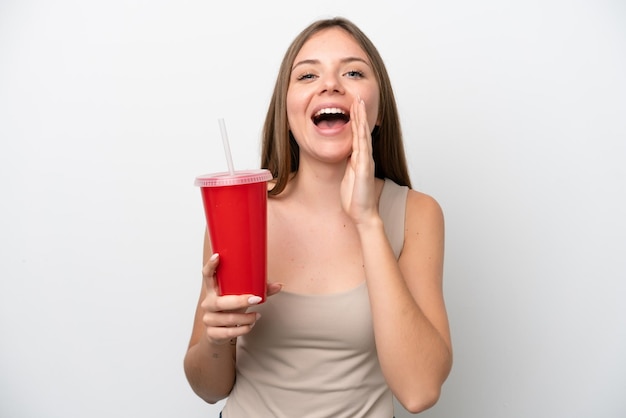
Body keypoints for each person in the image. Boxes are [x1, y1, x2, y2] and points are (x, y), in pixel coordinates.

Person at [184, 16, 452, 418]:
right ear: (287, 112)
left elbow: (419, 391)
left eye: (353, 72)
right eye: (307, 75)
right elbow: (208, 389)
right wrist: (217, 340)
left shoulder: (416, 213)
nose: (330, 84)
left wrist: (367, 221)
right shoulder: (240, 212)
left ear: (379, 112)